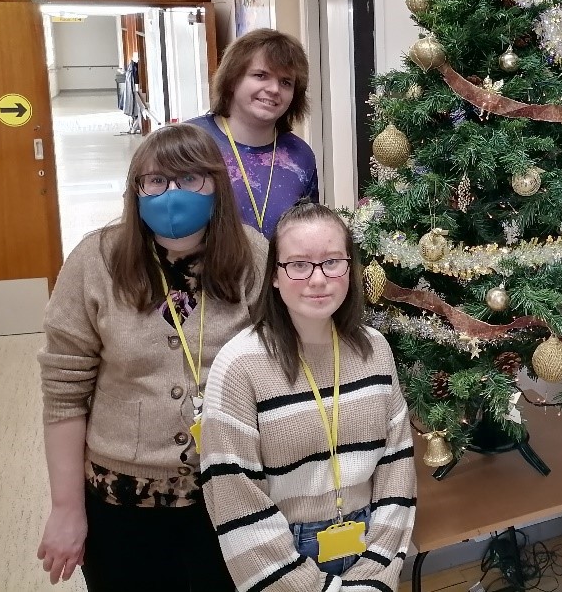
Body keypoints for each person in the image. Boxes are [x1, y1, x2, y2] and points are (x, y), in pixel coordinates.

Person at [37, 124, 267, 590]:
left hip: (232, 493)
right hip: (121, 502)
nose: (172, 194)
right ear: (136, 190)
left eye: (190, 179)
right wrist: (66, 509)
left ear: (216, 186)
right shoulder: (95, 260)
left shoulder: (255, 256)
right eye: (156, 181)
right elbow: (63, 394)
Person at [201, 200, 417, 592]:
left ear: (349, 268)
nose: (318, 279)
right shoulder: (239, 366)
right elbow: (235, 498)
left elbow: (396, 466)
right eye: (299, 265)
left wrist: (376, 574)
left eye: (332, 262)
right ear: (275, 276)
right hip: (279, 562)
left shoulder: (375, 350)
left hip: (369, 548)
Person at [187, 29, 319, 238]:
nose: (274, 89)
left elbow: (309, 232)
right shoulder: (188, 142)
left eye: (286, 82)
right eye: (261, 75)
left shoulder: (300, 155)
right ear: (232, 79)